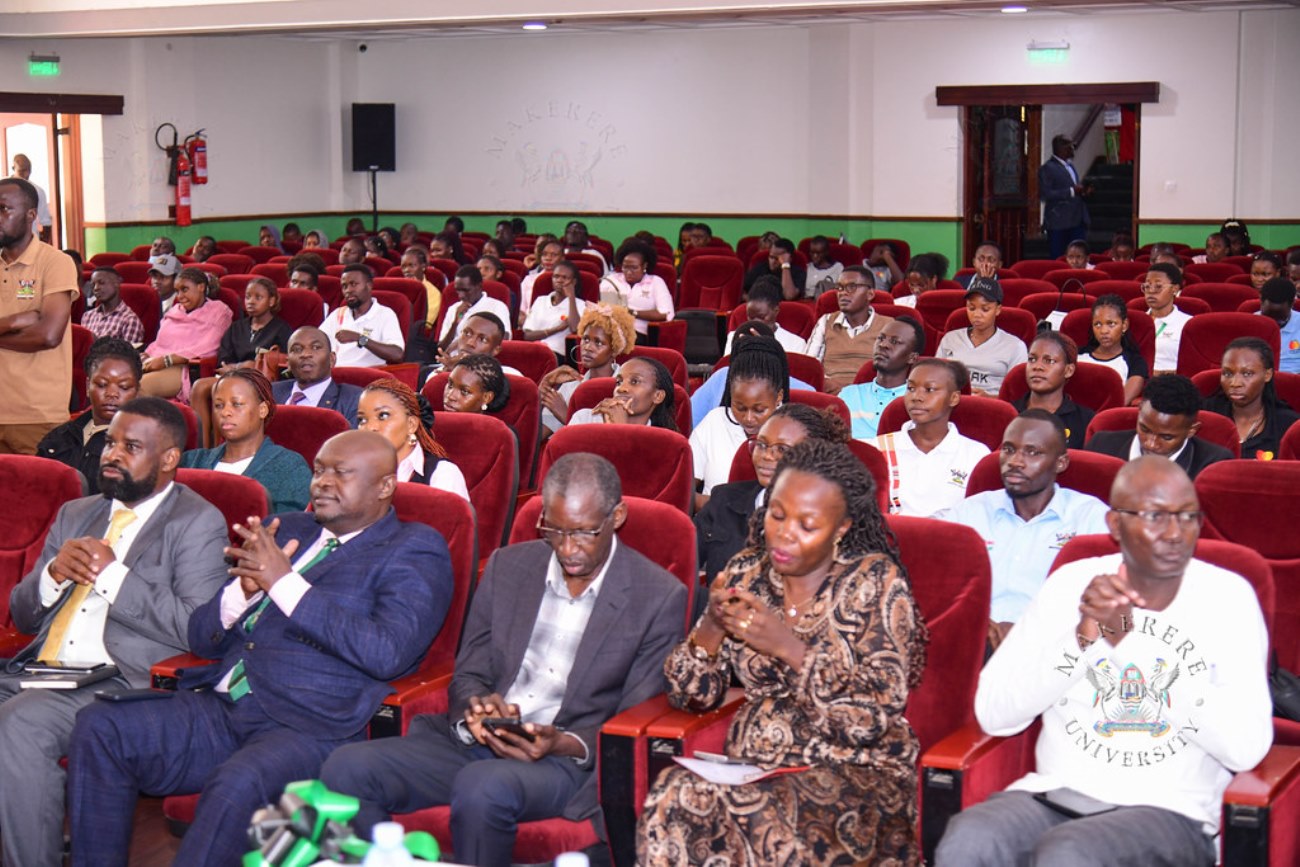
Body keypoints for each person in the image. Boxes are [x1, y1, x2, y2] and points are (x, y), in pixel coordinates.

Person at [67, 429, 455, 867]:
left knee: (239, 784)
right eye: (318, 471)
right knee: (101, 727)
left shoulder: (415, 549)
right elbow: (201, 638)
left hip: (312, 723)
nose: (322, 483)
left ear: (385, 486)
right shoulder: (287, 529)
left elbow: (387, 651)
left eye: (340, 474)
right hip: (223, 705)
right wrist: (242, 594)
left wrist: (284, 584)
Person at [320, 453, 687, 865]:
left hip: (564, 761)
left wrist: (561, 742)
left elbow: (634, 717)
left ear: (616, 516)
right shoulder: (509, 566)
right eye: (556, 530)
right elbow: (470, 670)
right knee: (346, 767)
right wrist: (475, 709)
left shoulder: (657, 596)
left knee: (483, 788)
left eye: (584, 533)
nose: (568, 549)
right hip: (478, 742)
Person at [934, 456, 1271, 867]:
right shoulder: (1069, 585)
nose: (1174, 533)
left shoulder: (1227, 597)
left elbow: (1247, 748)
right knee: (970, 840)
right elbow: (994, 713)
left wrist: (1131, 645)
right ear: (1114, 525)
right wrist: (1079, 641)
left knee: (1070, 854)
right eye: (1154, 516)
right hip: (1054, 792)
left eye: (1188, 516)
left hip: (1169, 810)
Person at [639, 438, 928, 865]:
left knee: (756, 815)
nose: (784, 534)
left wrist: (790, 648)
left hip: (860, 774)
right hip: (756, 765)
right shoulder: (746, 573)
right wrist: (712, 627)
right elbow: (690, 696)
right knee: (671, 796)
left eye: (806, 525)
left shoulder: (875, 584)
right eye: (777, 514)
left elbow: (874, 715)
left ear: (841, 529)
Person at [2, 396, 228, 867]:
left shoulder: (196, 523)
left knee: (21, 723)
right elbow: (22, 617)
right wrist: (52, 576)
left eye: (130, 446)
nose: (112, 455)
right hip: (42, 669)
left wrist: (111, 576)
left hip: (118, 681)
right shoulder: (75, 513)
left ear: (168, 459)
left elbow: (194, 628)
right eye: (110, 443)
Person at [938, 410, 1109, 652]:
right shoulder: (970, 512)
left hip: (1056, 650)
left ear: (1061, 463)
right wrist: (976, 622)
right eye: (1008, 449)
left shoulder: (1090, 518)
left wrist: (1033, 632)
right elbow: (940, 585)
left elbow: (1106, 604)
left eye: (1033, 452)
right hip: (972, 644)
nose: (1015, 461)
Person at [695, 404, 850, 585]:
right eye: (761, 444)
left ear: (815, 456)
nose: (766, 455)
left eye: (782, 449)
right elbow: (682, 563)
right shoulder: (724, 499)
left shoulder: (829, 519)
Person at [0, 177, 77, 454]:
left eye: (4, 209)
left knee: (41, 496)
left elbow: (48, 335)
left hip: (37, 414)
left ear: (31, 215)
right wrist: (12, 322)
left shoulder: (55, 262)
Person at [181, 368, 312, 513]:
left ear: (262, 410)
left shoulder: (290, 466)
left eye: (236, 404)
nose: (225, 412)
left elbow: (292, 526)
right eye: (219, 405)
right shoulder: (191, 461)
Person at [875, 358, 989, 516]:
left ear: (954, 398)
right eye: (911, 388)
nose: (916, 397)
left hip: (950, 538)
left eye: (929, 389)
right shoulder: (877, 448)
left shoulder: (976, 454)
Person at [36, 337, 142, 494]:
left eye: (124, 387)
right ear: (87, 386)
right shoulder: (59, 436)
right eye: (102, 385)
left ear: (137, 391)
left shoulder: (142, 447)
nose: (112, 394)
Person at [690, 334, 788, 501]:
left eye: (759, 410)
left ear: (778, 397)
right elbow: (685, 490)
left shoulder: (793, 428)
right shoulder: (715, 421)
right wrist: (724, 509)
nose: (748, 418)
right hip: (713, 522)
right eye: (740, 408)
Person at [1085, 374, 1232, 479]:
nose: (1151, 444)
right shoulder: (1101, 446)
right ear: (1140, 409)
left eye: (1166, 437)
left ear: (1191, 430)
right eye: (1144, 429)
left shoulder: (1213, 465)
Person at [357, 378, 469, 500]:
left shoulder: (443, 475)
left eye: (383, 416)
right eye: (362, 420)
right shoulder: (353, 471)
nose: (370, 427)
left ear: (411, 424)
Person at [538, 304, 638, 434]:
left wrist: (566, 416)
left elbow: (616, 441)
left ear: (614, 349)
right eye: (585, 339)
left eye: (598, 342)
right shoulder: (570, 387)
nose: (588, 347)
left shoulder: (626, 389)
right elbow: (536, 438)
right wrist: (542, 388)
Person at [138, 266, 232, 401]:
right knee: (121, 382)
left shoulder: (219, 312)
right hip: (154, 362)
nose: (180, 296)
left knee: (137, 387)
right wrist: (146, 354)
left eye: (185, 289)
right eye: (177, 291)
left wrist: (167, 360)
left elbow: (208, 346)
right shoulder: (175, 310)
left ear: (201, 287)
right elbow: (160, 341)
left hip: (183, 368)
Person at [1202, 336, 1299, 460]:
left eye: (1247, 374)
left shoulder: (1289, 425)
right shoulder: (1204, 416)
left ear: (1267, 375)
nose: (1235, 383)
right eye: (1228, 373)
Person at [806, 265, 896, 394]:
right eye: (840, 288)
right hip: (830, 395)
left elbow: (894, 372)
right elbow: (810, 365)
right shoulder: (826, 321)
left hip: (871, 395)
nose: (843, 293)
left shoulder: (889, 326)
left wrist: (854, 392)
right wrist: (828, 384)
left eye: (852, 287)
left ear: (870, 294)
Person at [937, 277, 1028, 395]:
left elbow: (1018, 396)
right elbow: (936, 378)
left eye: (985, 309)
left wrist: (990, 398)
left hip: (994, 408)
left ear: (998, 310)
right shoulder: (950, 339)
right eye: (971, 308)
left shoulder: (1015, 346)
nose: (977, 314)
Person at [838, 315, 925, 440]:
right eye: (880, 338)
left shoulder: (917, 401)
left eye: (895, 342)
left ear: (912, 358)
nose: (883, 345)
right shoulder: (848, 394)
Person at [1012, 331, 1095, 449]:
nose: (1037, 366)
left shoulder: (1085, 420)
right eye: (1032, 359)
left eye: (1049, 361)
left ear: (1068, 370)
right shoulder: (1008, 412)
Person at [269, 325, 364, 426]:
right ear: (288, 363)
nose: (305, 354)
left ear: (331, 359)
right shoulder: (269, 393)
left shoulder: (354, 399)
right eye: (297, 349)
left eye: (316, 347)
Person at [320, 264, 406, 367]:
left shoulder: (385, 314)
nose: (348, 290)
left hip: (369, 377)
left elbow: (397, 354)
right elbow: (318, 341)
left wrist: (359, 338)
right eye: (344, 286)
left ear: (369, 285)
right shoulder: (338, 314)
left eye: (354, 284)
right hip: (336, 375)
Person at [567, 355, 678, 429]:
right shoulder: (584, 418)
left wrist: (620, 429)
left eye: (634, 381)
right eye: (619, 382)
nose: (621, 388)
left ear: (658, 396)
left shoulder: (661, 441)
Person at [1078, 293, 1149, 406]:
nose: (1103, 331)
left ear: (1124, 325)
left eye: (1111, 324)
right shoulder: (1077, 355)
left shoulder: (1135, 362)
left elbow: (1121, 402)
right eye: (1097, 324)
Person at [599, 239, 674, 340]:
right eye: (625, 267)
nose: (629, 272)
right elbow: (608, 311)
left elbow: (665, 313)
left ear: (645, 266)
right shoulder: (611, 281)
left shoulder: (656, 282)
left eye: (634, 268)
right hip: (612, 330)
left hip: (639, 334)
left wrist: (633, 312)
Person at [723, 276, 807, 356]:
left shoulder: (796, 343)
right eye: (751, 317)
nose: (755, 322)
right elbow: (727, 368)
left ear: (776, 311)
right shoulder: (735, 337)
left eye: (762, 317)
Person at [522, 259, 587, 358]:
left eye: (565, 278)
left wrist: (571, 297)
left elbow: (575, 329)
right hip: (533, 350)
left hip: (557, 355)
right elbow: (527, 336)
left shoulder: (580, 305)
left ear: (573, 282)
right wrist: (556, 329)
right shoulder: (540, 300)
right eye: (556, 276)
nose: (559, 280)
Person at [1039, 134, 1090, 258]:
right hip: (1059, 223)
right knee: (1058, 257)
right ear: (1061, 148)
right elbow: (1045, 194)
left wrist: (1083, 191)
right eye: (1070, 146)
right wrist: (1072, 191)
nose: (1073, 149)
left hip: (1077, 220)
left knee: (1079, 255)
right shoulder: (1047, 168)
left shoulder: (1070, 166)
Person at [439, 265, 512, 348]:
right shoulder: (454, 309)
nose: (461, 296)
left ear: (479, 286)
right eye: (458, 290)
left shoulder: (497, 306)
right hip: (451, 359)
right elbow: (441, 347)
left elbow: (504, 340)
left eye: (466, 290)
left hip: (481, 359)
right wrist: (455, 323)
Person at [1142, 262, 1189, 375]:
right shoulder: (1136, 322)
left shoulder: (1188, 324)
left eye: (1158, 286)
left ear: (1175, 289)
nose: (1151, 291)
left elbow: (1192, 366)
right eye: (1147, 286)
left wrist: (1157, 374)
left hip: (1172, 385)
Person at [81, 267, 145, 345]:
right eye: (93, 284)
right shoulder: (87, 316)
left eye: (101, 283)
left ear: (117, 283)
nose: (96, 288)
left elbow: (127, 356)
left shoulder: (130, 320)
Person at [442, 354, 511, 415]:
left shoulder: (498, 429)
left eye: (464, 391)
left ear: (486, 398)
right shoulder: (433, 425)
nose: (450, 396)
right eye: (450, 385)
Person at [1258, 277, 1300, 374]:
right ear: (1260, 300)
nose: (1274, 324)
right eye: (1269, 317)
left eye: (1280, 318)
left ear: (1292, 304)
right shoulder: (1249, 324)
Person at [9, 153, 51, 240]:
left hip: (30, 242)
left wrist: (43, 245)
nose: (26, 175)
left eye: (28, 171)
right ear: (13, 168)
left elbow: (46, 222)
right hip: (6, 244)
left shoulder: (38, 191)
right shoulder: (3, 190)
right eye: (22, 171)